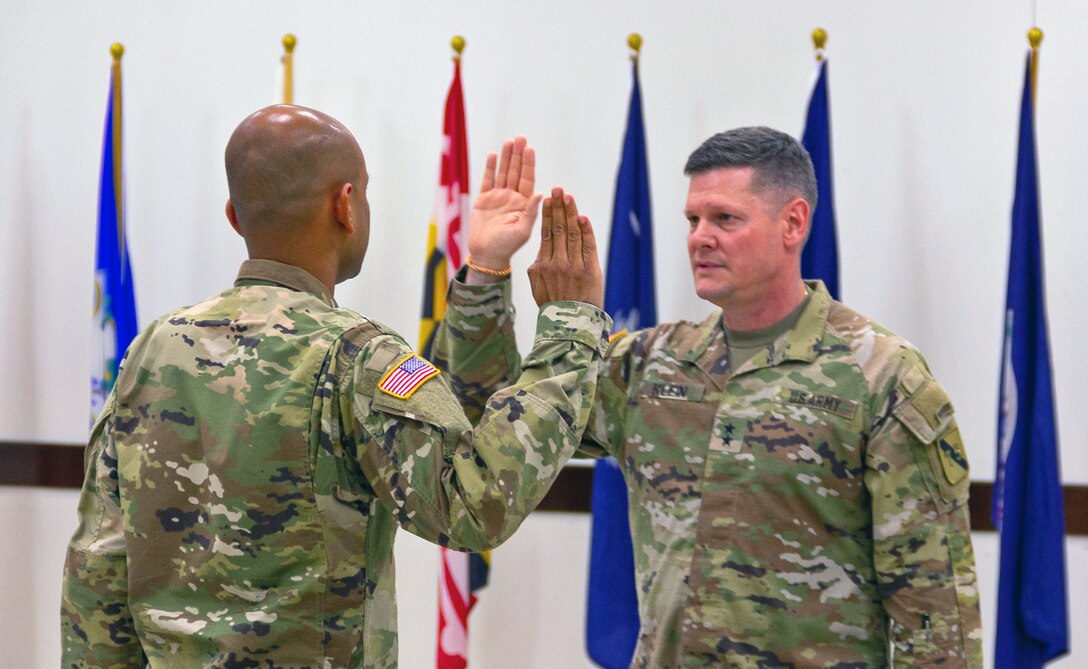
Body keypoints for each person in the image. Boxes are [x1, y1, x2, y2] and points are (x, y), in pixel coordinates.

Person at [60, 104, 610, 668]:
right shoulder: (359, 357)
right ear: (345, 205)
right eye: (364, 193)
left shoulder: (151, 349)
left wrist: (486, 268)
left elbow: (99, 567)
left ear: (233, 215)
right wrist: (570, 325)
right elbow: (474, 506)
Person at [435, 126, 983, 667]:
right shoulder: (650, 364)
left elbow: (932, 607)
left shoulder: (879, 374)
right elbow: (497, 418)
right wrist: (486, 269)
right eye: (693, 219)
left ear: (792, 222)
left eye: (725, 218)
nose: (700, 236)